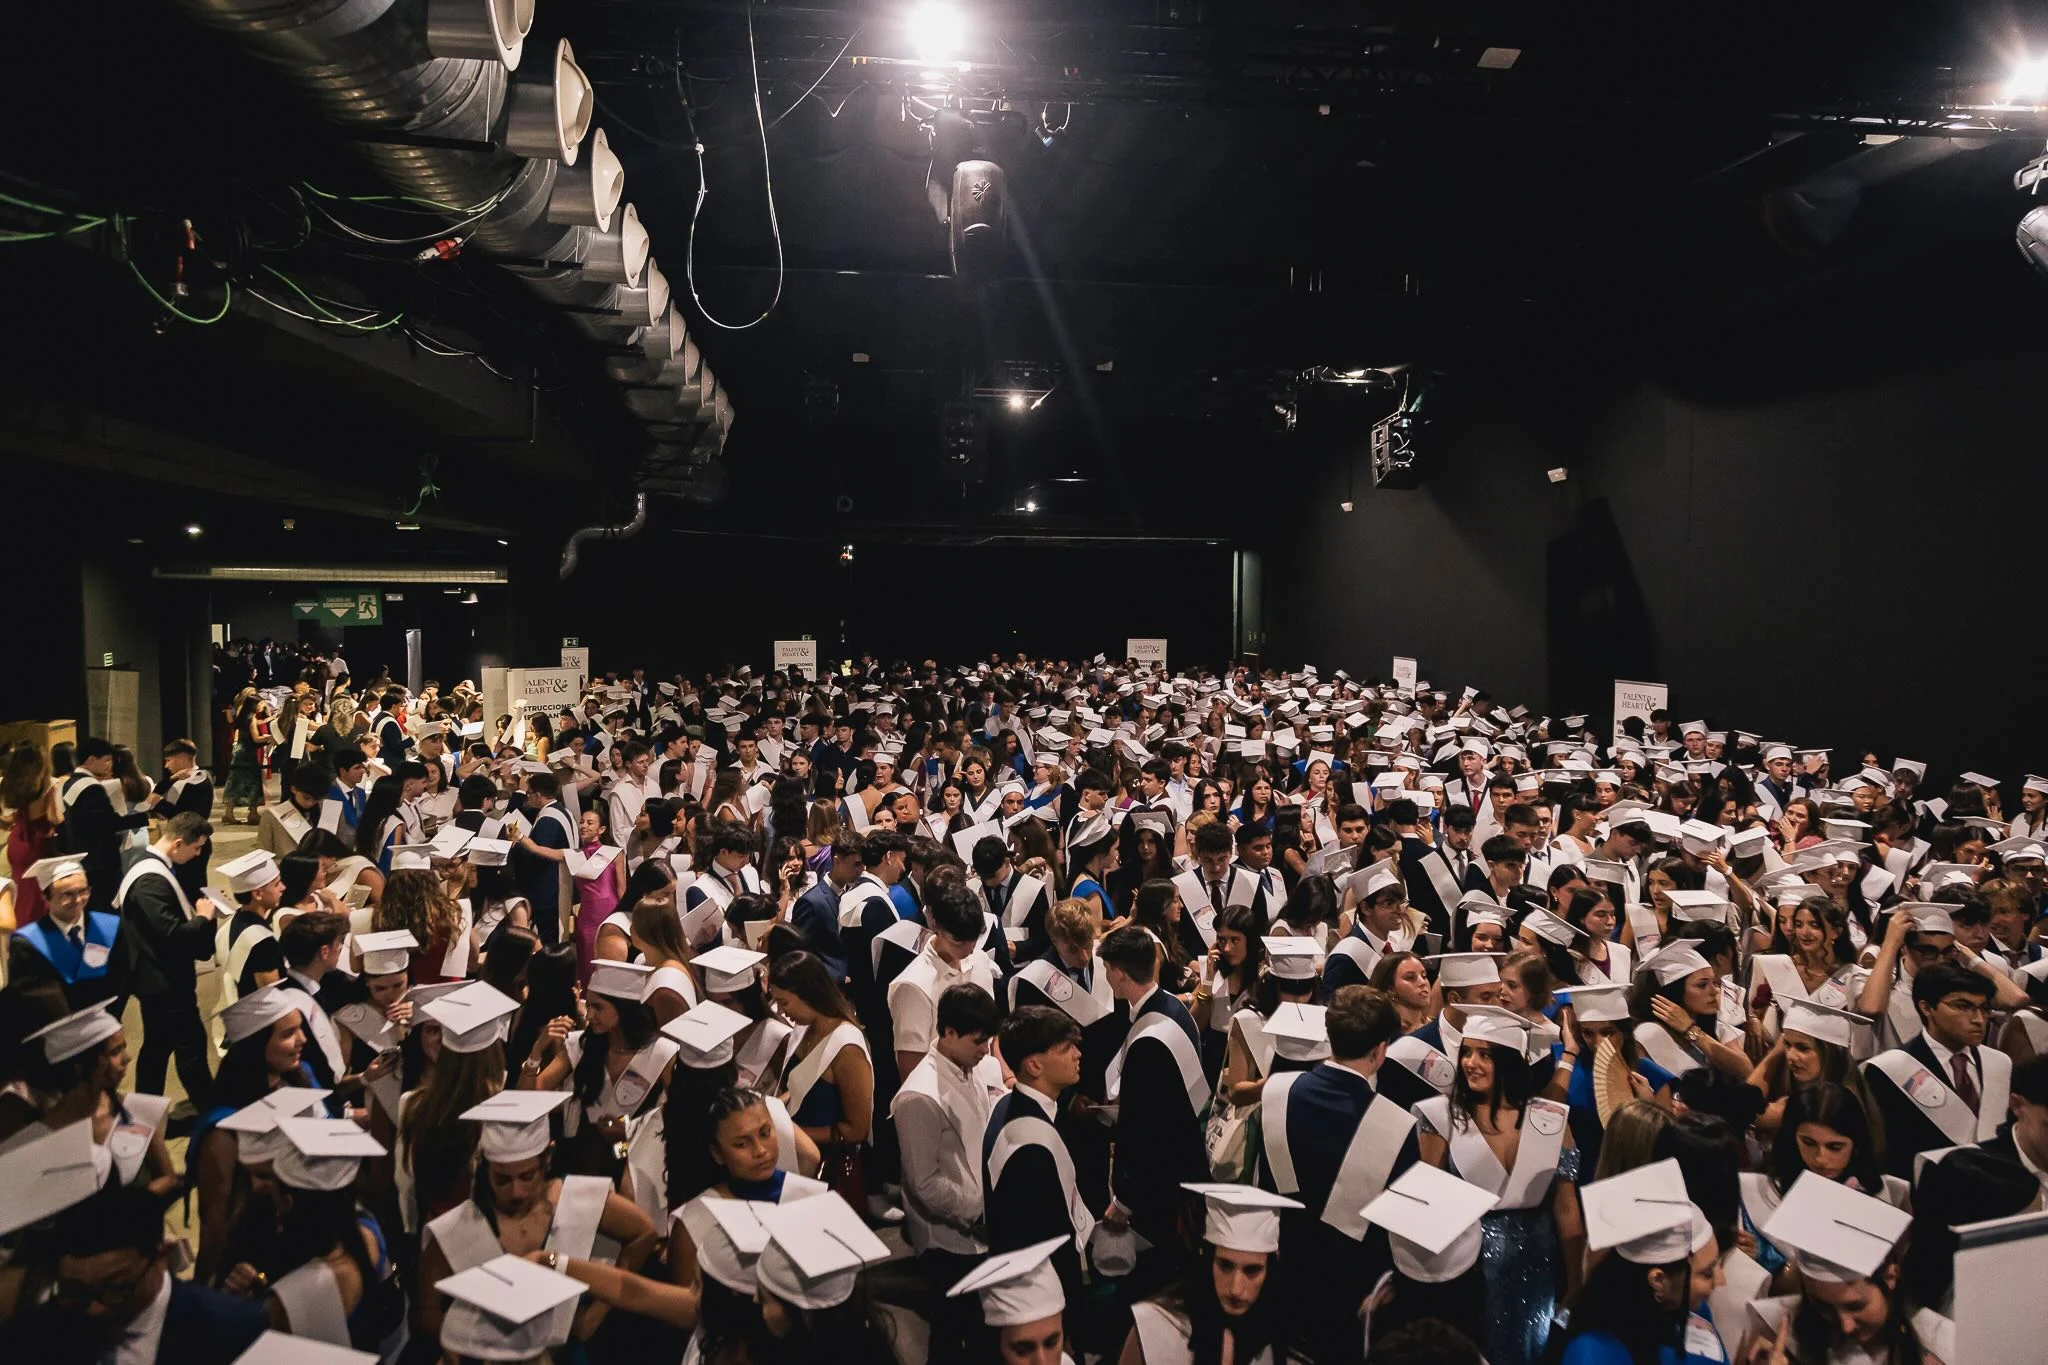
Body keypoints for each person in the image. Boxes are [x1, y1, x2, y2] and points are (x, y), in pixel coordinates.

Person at [418, 1090, 658, 1358]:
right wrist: (458, 1337)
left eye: (527, 1176)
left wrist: (598, 1311)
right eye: (502, 1180)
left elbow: (644, 1233)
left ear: (547, 1158)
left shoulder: (578, 1198)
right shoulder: (458, 1228)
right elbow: (427, 1310)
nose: (516, 1192)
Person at [1254, 984, 1419, 1365]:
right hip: (1354, 1290)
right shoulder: (1397, 1125)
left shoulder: (1277, 1092)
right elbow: (1398, 1227)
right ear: (1380, 1051)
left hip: (1284, 1268)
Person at [1413, 1006, 1584, 1365]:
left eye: (1485, 1055)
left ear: (1508, 1062)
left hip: (1538, 1270)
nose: (1471, 1063)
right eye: (1467, 1052)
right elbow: (1429, 1205)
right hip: (1469, 1270)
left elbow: (1567, 1209)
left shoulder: (1549, 1119)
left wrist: (1575, 1283)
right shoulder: (1441, 1117)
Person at [6, 1184, 270, 1365]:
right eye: (77, 1290)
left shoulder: (233, 1330)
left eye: (115, 1288)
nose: (95, 1309)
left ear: (161, 1258)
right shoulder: (37, 1331)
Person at [891, 982, 1007, 1365]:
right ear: (950, 1032)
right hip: (949, 1239)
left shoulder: (969, 1065)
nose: (986, 1050)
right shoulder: (919, 1096)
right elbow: (923, 1182)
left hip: (980, 1224)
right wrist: (978, 1210)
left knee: (983, 1332)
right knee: (951, 1335)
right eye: (979, 1041)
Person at [1102, 923, 1214, 1293]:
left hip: (1161, 1183)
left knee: (1155, 1277)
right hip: (1187, 1158)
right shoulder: (1172, 1005)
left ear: (1119, 974)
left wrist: (1124, 1201)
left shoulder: (1149, 1042)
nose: (1106, 977)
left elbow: (1144, 1131)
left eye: (1108, 970)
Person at [984, 1005, 1097, 1334]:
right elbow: (1040, 1241)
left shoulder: (1009, 1105)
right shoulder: (1029, 1147)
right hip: (1040, 1301)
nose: (1077, 1054)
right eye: (1065, 1048)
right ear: (1034, 1065)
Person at [1554, 1159, 1725, 1365]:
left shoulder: (1694, 1310)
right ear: (1658, 1280)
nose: (1721, 1280)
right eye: (1707, 1273)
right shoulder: (1593, 1355)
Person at [1117, 1184, 1297, 1365]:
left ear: (1270, 1270)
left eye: (1252, 1270)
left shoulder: (1283, 1346)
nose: (1235, 1289)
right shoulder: (1156, 1327)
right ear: (1208, 1262)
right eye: (1225, 1266)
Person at [1860, 960, 2008, 1177]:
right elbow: (1882, 1152)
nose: (1978, 1020)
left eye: (1984, 1009)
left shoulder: (1999, 1064)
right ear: (1926, 1008)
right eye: (1962, 1006)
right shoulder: (1888, 1070)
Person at [117, 811, 222, 1108]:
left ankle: (145, 1110)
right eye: (196, 848)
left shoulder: (150, 864)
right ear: (177, 844)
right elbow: (172, 934)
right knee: (189, 1048)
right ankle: (209, 1111)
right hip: (164, 981)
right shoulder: (150, 880)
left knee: (158, 1048)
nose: (198, 855)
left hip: (159, 978)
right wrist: (202, 918)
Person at [768, 949, 875, 1204]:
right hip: (796, 1152)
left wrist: (794, 1133)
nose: (781, 1011)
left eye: (784, 1002)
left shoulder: (847, 1048)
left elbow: (857, 1129)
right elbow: (799, 1086)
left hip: (828, 1167)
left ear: (808, 994)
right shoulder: (804, 1027)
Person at [888, 881, 999, 1084]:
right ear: (935, 926)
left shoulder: (980, 960)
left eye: (974, 939)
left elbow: (990, 1034)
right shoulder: (912, 985)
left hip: (984, 1084)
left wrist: (1005, 1076)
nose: (970, 950)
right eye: (959, 942)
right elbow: (911, 1068)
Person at [8, 854, 132, 1010]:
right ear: (45, 897)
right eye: (67, 894)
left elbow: (123, 979)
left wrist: (108, 1019)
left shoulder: (109, 927)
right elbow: (24, 998)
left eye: (83, 891)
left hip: (107, 1019)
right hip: (56, 1023)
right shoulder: (26, 944)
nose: (78, 900)